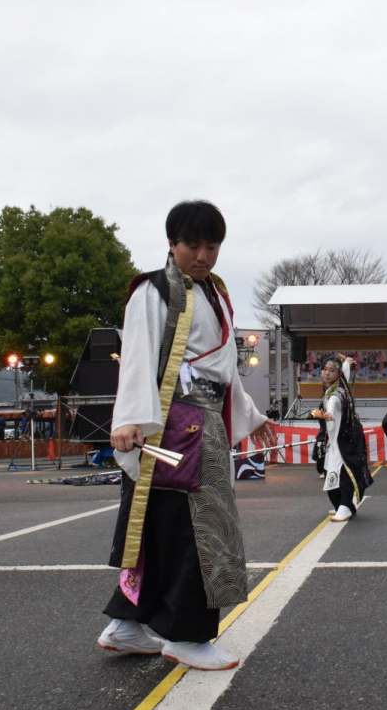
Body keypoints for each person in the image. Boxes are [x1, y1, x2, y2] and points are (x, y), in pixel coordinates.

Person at [96, 200, 275, 672]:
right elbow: (138, 354)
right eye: (192, 245)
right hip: (169, 425)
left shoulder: (216, 293)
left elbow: (223, 368)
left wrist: (251, 416)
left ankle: (126, 624)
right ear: (172, 243)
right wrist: (129, 418)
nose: (203, 255)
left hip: (204, 423)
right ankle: (187, 636)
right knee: (197, 529)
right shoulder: (154, 290)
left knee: (161, 525)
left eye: (212, 246)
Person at [311, 355, 373, 522]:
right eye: (324, 369)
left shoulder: (337, 394)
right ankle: (342, 505)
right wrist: (347, 363)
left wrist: (326, 414)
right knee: (329, 469)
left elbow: (333, 404)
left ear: (337, 374)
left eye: (331, 370)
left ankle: (345, 506)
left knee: (343, 471)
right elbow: (344, 373)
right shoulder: (335, 385)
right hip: (335, 439)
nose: (326, 373)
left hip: (345, 439)